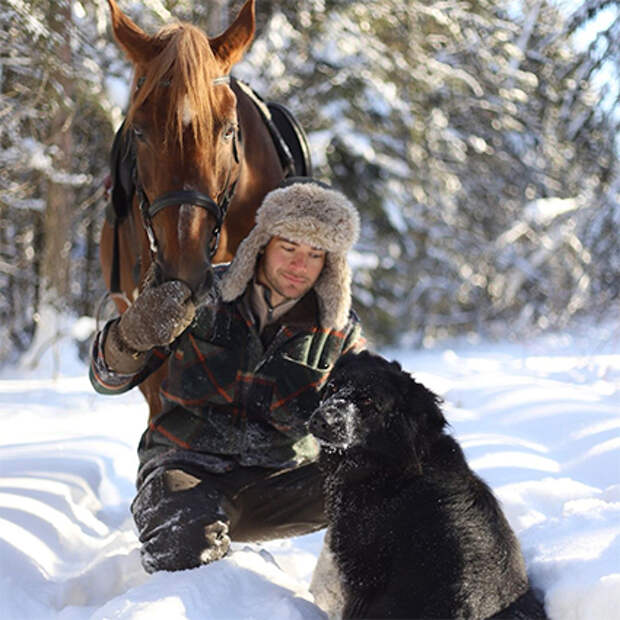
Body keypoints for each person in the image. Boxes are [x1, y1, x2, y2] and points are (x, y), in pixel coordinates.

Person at [90, 177, 365, 572]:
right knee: (182, 548)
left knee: (394, 490)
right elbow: (105, 381)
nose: (299, 265)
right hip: (186, 467)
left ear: (331, 264)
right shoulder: (200, 293)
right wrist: (129, 335)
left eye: (315, 254)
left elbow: (368, 408)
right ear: (262, 243)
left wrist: (355, 420)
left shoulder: (340, 332)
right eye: (288, 247)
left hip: (281, 484)